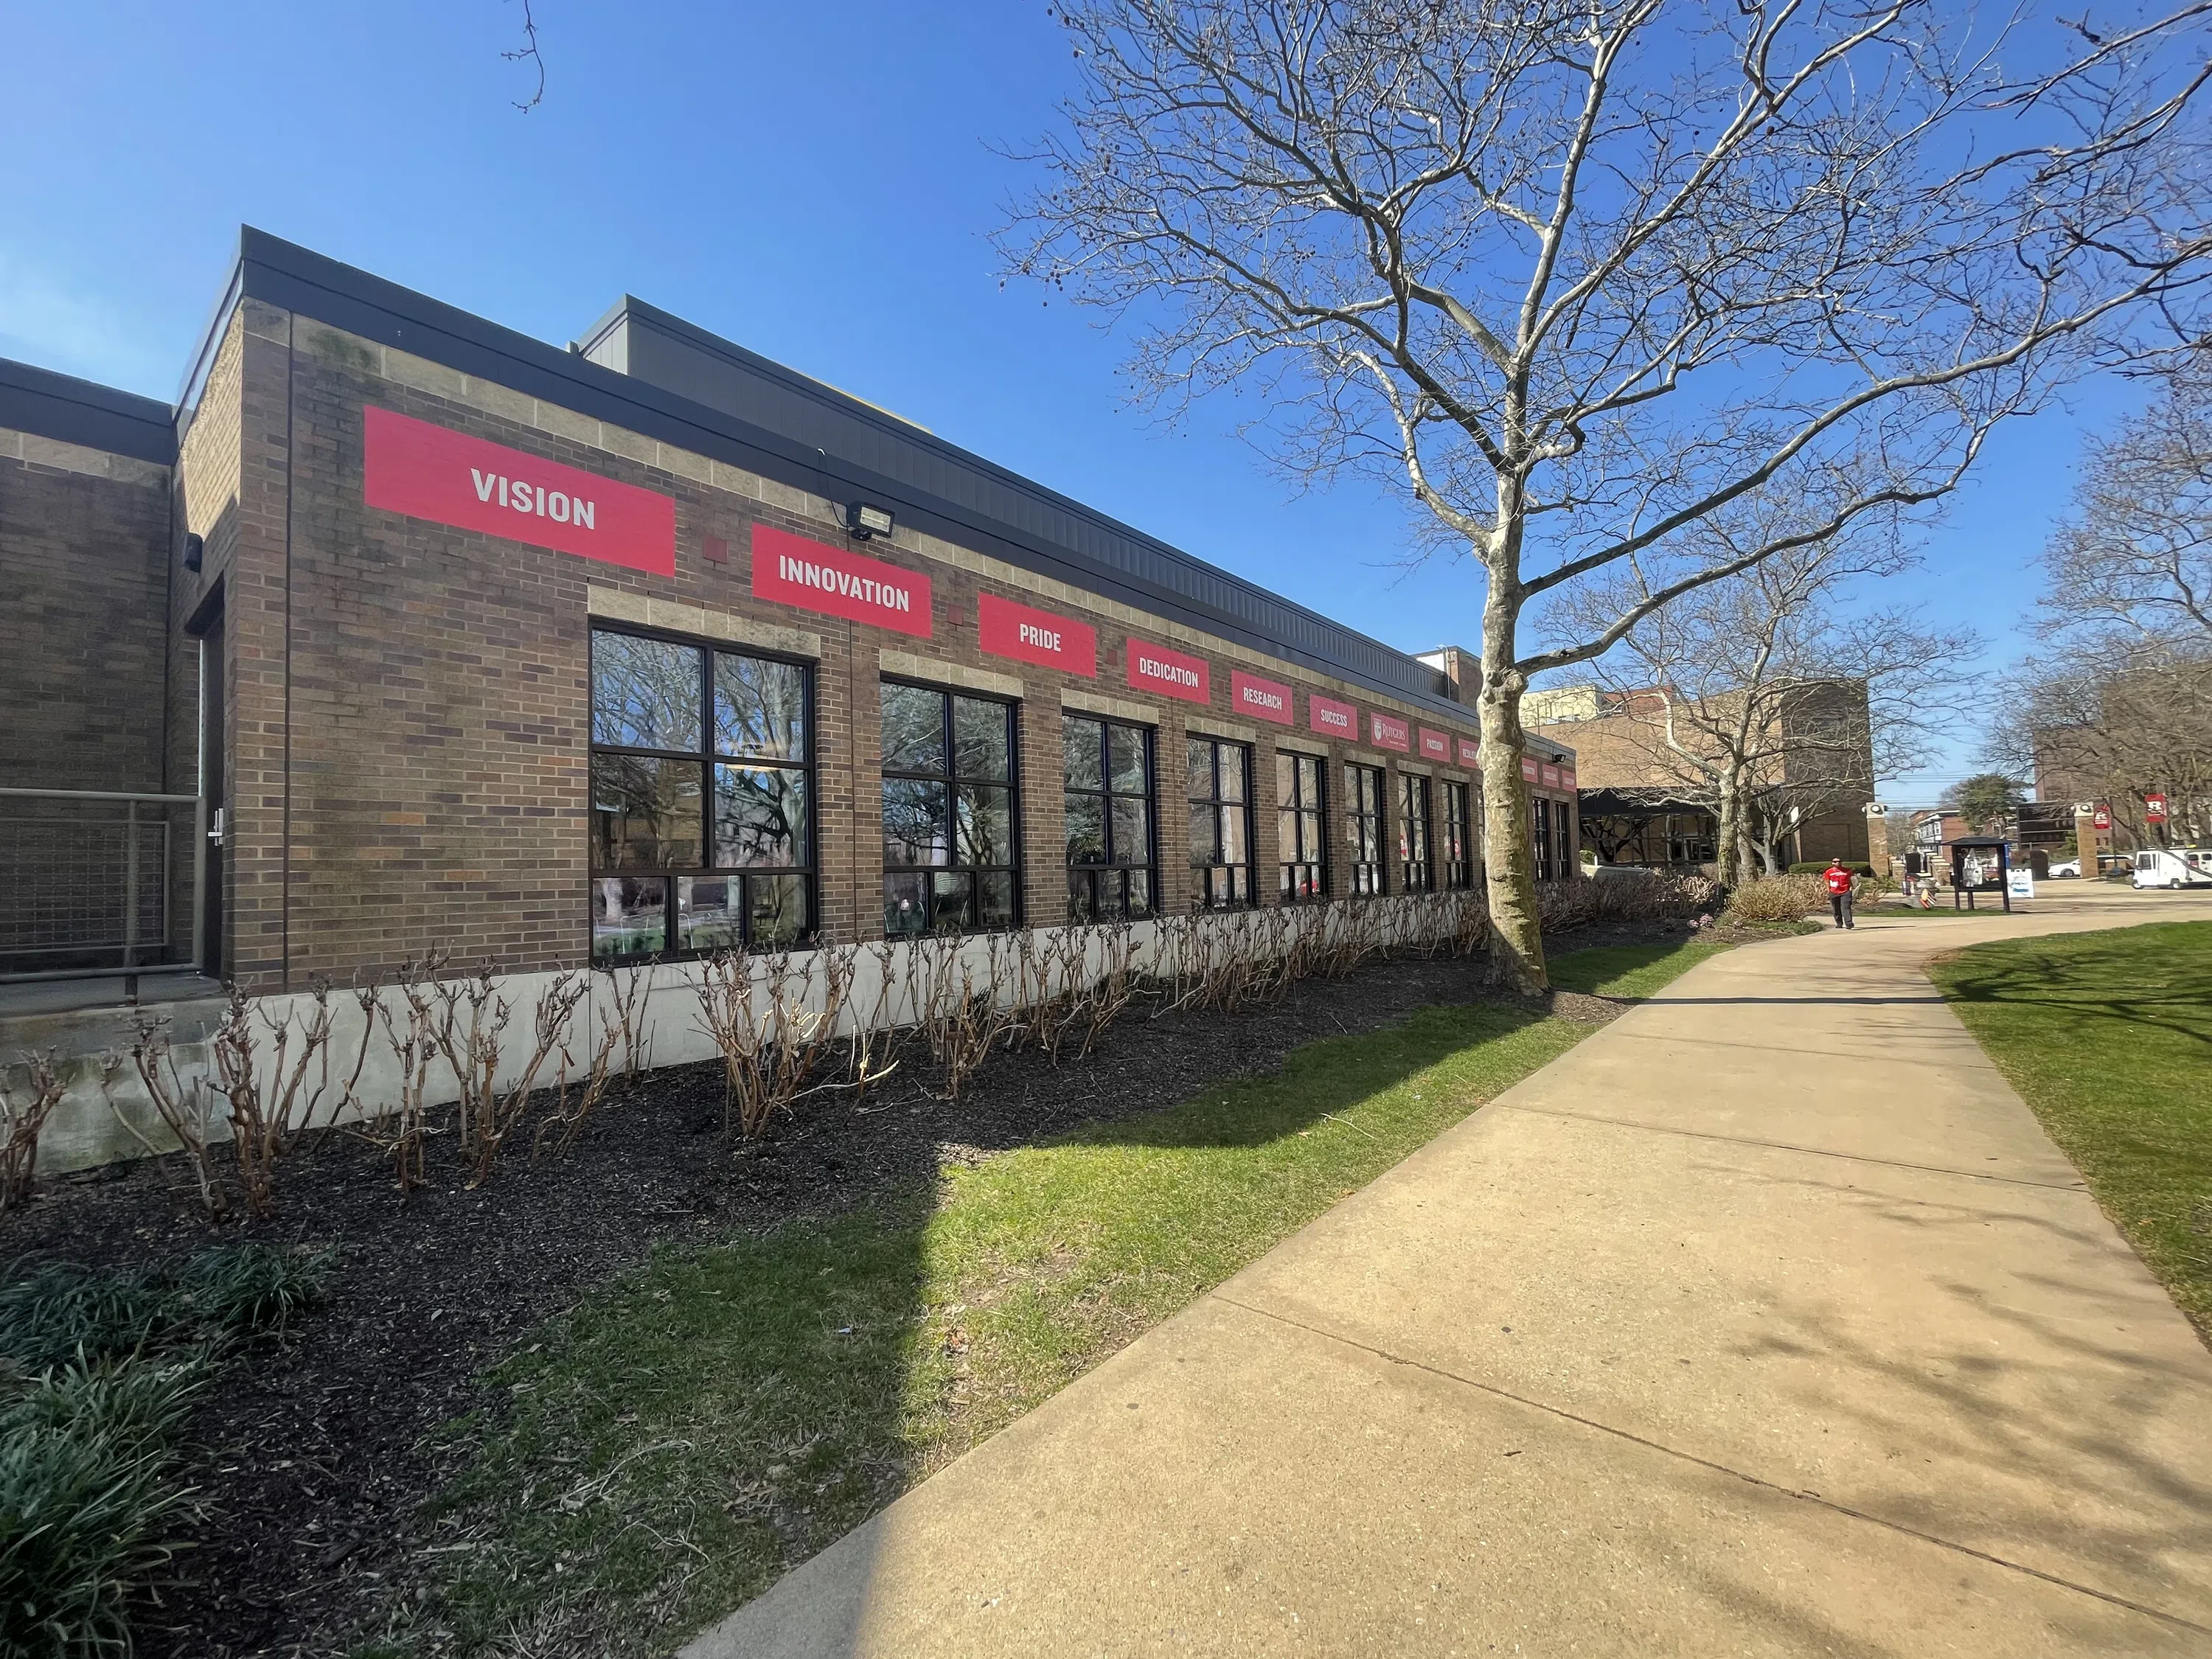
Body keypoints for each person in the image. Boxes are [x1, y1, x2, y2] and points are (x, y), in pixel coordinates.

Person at [1823, 857, 1856, 929]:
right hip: (1834, 892)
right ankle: (1839, 923)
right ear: (1832, 863)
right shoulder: (1829, 872)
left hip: (1846, 891)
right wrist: (1828, 891)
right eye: (1835, 862)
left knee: (1846, 907)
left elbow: (1850, 880)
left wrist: (1850, 888)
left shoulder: (1847, 871)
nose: (1837, 863)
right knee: (1836, 908)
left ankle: (1849, 923)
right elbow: (1827, 882)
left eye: (1839, 861)